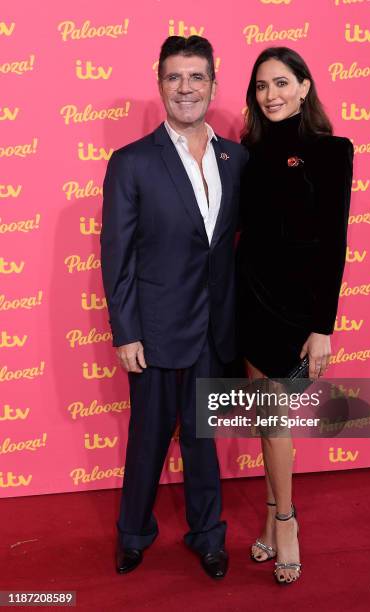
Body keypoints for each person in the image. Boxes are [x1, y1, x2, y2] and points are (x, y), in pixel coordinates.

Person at [100, 35, 248, 580]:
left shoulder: (237, 159)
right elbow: (116, 255)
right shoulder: (132, 163)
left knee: (204, 442)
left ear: (213, 81)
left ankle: (208, 536)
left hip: (216, 330)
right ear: (160, 82)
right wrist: (126, 332)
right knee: (148, 441)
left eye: (196, 77)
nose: (186, 88)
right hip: (157, 331)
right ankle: (134, 534)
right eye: (174, 77)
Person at [237, 47, 354, 584]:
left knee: (273, 421)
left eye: (281, 83)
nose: (271, 95)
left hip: (297, 310)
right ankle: (273, 519)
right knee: (268, 421)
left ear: (305, 87)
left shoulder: (333, 151)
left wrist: (322, 326)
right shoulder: (248, 151)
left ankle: (284, 520)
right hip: (251, 301)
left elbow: (334, 244)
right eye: (262, 87)